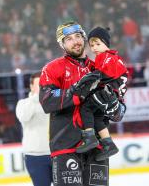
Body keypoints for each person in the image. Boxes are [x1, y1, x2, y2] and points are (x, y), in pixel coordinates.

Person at [39, 21, 126, 186]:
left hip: (98, 150)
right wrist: (75, 91)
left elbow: (118, 110)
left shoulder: (100, 69)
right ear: (62, 44)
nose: (75, 41)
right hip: (66, 147)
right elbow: (47, 101)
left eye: (78, 36)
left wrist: (115, 107)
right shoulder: (52, 69)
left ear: (84, 39)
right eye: (69, 39)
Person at [75, 26, 128, 160]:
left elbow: (106, 74)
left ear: (106, 43)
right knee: (97, 116)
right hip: (110, 94)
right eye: (92, 45)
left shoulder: (106, 56)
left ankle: (90, 137)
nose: (94, 48)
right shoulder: (111, 57)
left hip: (108, 92)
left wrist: (91, 77)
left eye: (98, 44)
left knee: (85, 107)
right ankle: (108, 144)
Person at [16, 72, 52, 186]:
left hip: (57, 153)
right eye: (38, 84)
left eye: (44, 83)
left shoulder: (53, 102)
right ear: (31, 86)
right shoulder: (23, 103)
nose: (42, 87)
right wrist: (36, 97)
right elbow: (24, 117)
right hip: (35, 156)